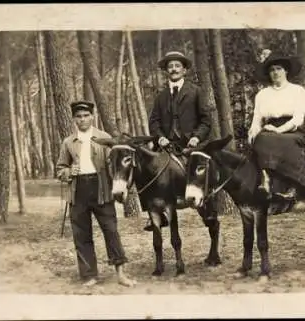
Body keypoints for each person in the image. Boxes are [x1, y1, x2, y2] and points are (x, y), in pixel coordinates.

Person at [56, 101, 136, 287]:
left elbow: (118, 163)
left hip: (102, 189)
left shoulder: (105, 137)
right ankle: (89, 275)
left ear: (92, 117)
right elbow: (60, 169)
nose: (82, 119)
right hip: (78, 191)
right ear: (74, 118)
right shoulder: (68, 142)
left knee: (111, 231)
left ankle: (121, 274)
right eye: (79, 116)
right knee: (81, 235)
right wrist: (69, 172)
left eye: (86, 115)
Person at [146, 51, 216, 230]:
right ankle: (156, 212)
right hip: (168, 145)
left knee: (200, 171)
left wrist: (196, 137)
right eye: (170, 66)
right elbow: (154, 122)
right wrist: (160, 137)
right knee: (150, 171)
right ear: (166, 71)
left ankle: (207, 206)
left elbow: (206, 120)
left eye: (177, 66)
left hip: (190, 144)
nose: (174, 69)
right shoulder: (161, 96)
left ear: (184, 70)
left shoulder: (196, 92)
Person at [247, 53, 305, 201]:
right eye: (272, 70)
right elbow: (257, 119)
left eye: (279, 69)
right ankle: (264, 181)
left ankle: (293, 186)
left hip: (292, 130)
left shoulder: (298, 91)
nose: (275, 73)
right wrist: (252, 132)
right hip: (269, 129)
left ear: (286, 71)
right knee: (260, 139)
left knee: (280, 141)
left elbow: (298, 119)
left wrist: (279, 130)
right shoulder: (262, 94)